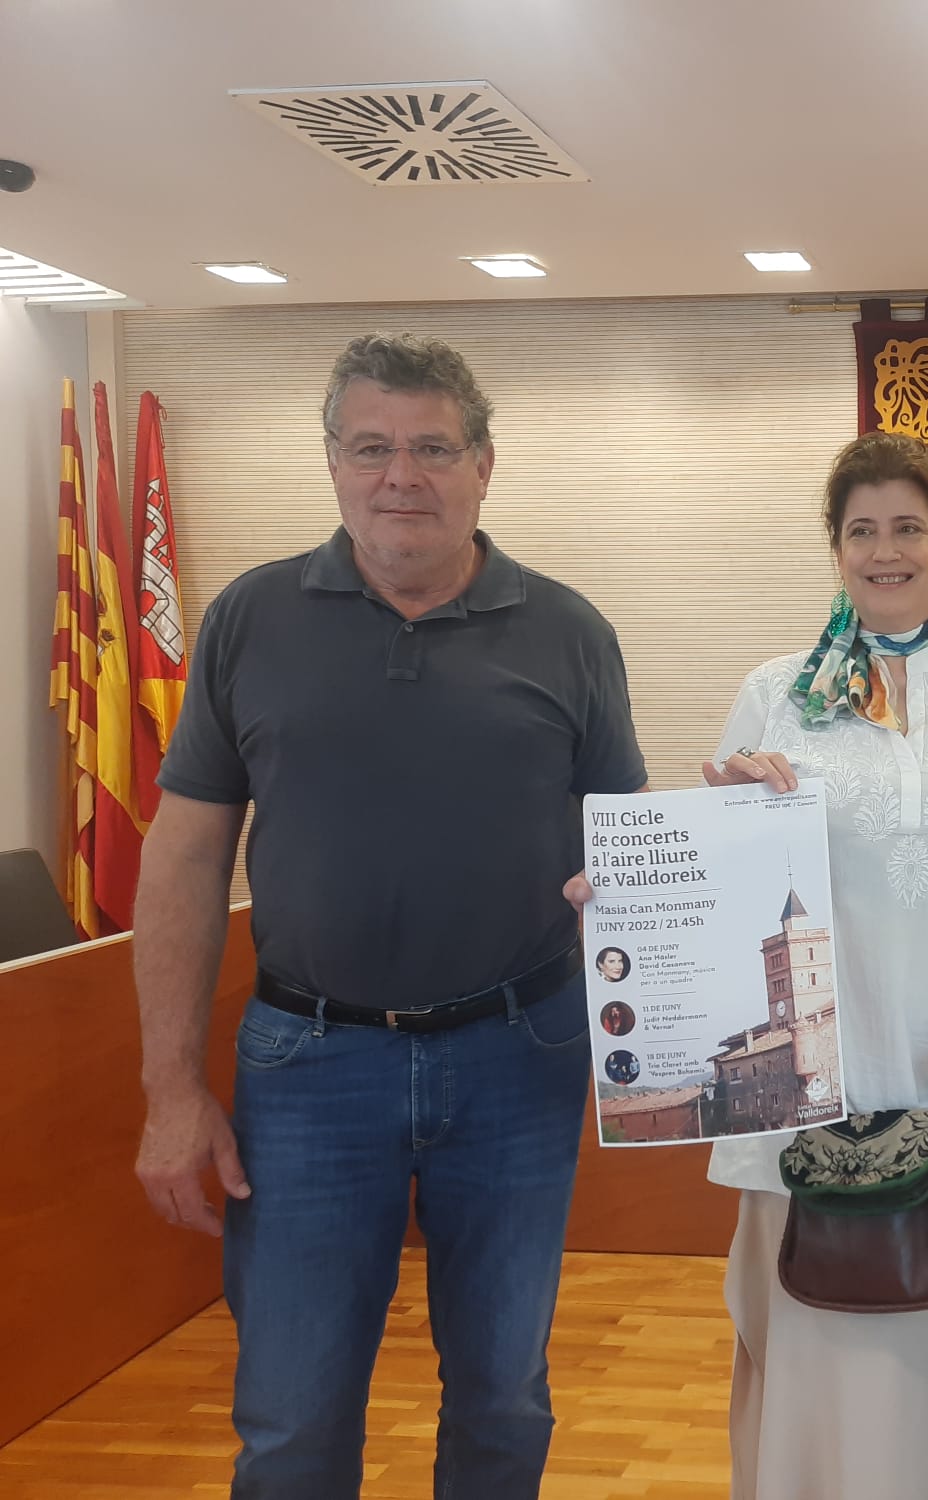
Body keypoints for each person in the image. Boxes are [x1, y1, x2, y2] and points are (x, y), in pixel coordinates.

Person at [132, 332, 647, 1500]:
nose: (399, 476)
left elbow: (635, 852)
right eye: (371, 448)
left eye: (430, 448)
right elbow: (183, 858)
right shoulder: (249, 622)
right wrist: (170, 1088)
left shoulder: (570, 633)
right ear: (332, 464)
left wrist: (740, 825)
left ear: (484, 466)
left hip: (520, 1058)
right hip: (306, 1067)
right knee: (293, 1417)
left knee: (505, 1401)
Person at [636, 430, 928, 1498]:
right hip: (820, 1100)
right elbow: (721, 891)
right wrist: (729, 811)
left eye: (909, 528)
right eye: (862, 530)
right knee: (842, 1372)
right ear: (836, 548)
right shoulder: (775, 696)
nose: (884, 551)